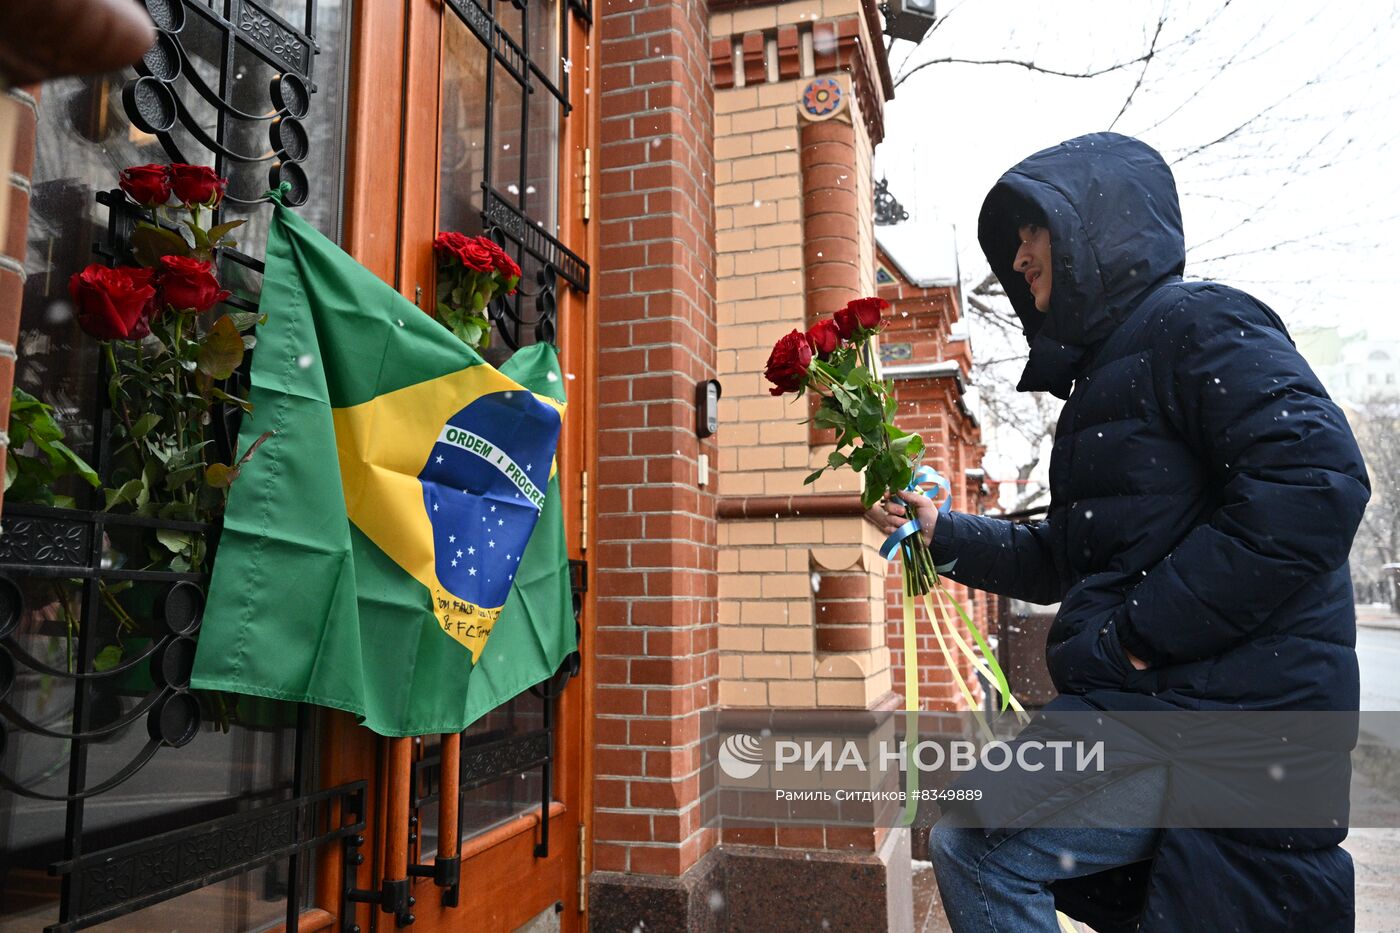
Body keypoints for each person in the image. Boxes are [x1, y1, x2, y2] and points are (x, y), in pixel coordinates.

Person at [869, 132, 1369, 932]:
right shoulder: (1106, 380)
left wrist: (1140, 635)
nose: (1019, 253)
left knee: (979, 839)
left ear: (1093, 228)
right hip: (1162, 715)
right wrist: (944, 532)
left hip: (1227, 726)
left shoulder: (1196, 322)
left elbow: (1315, 484)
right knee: (975, 833)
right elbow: (1062, 557)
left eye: (1034, 229)